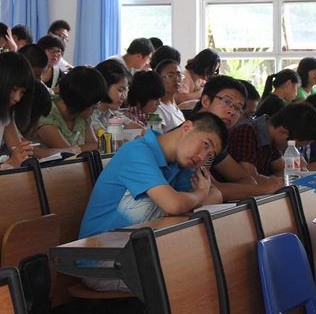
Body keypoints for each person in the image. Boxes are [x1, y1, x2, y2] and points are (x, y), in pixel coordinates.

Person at [78, 112, 226, 292]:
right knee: (198, 275)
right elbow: (175, 205)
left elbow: (215, 195)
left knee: (218, 261)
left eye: (210, 155)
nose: (202, 157)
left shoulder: (181, 163)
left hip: (139, 251)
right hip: (102, 261)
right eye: (205, 145)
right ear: (187, 127)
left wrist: (197, 196)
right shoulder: (137, 152)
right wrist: (200, 193)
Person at [191, 75, 284, 198]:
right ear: (206, 101)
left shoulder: (216, 138)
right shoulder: (190, 133)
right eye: (226, 101)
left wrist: (261, 187)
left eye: (238, 108)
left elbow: (247, 180)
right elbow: (210, 189)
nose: (232, 112)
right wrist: (263, 189)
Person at [228, 102, 316, 178]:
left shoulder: (273, 137)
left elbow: (283, 171)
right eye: (296, 146)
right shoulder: (247, 131)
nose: (295, 150)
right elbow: (251, 180)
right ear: (283, 132)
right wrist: (275, 180)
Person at [31, 66, 106, 156]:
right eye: (94, 106)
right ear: (80, 103)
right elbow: (67, 155)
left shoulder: (82, 115)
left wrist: (95, 146)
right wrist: (96, 146)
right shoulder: (46, 112)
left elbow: (97, 147)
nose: (96, 109)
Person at [90, 59, 134, 134]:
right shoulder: (90, 114)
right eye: (120, 90)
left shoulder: (112, 112)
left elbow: (139, 129)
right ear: (105, 85)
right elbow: (105, 138)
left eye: (126, 90)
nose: (124, 96)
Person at [154, 59, 185, 132]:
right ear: (159, 79)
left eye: (179, 75)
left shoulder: (173, 104)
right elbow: (152, 137)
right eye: (170, 75)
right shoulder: (155, 109)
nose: (177, 79)